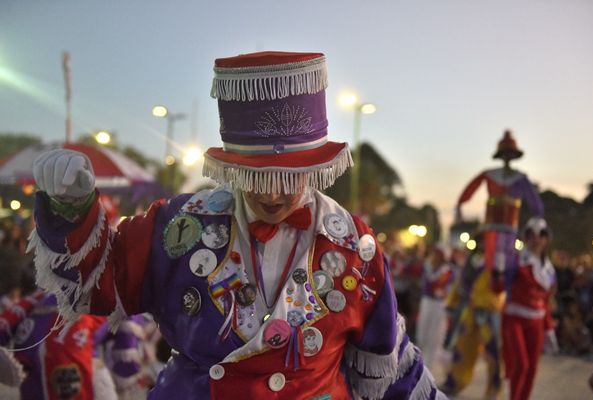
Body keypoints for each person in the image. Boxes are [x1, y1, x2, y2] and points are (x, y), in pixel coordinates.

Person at [28, 51, 444, 399]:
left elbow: (388, 358)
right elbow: (96, 286)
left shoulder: (354, 244)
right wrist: (72, 209)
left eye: (289, 177)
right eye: (258, 177)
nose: (273, 195)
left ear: (317, 168)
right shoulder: (178, 224)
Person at [455, 130, 544, 274]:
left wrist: (537, 220)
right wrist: (459, 205)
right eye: (505, 154)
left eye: (510, 154)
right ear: (500, 156)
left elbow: (534, 201)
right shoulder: (489, 174)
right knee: (487, 259)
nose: (507, 157)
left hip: (510, 227)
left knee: (508, 261)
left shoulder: (520, 177)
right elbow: (470, 189)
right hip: (491, 225)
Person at [494, 217, 557, 400]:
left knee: (532, 368)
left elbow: (547, 301)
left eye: (541, 235)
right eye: (531, 235)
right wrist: (497, 273)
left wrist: (549, 326)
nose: (536, 240)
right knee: (521, 364)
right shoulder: (515, 261)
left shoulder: (549, 269)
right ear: (526, 238)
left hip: (536, 321)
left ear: (546, 239)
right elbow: (497, 288)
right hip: (514, 318)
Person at [441, 234, 505, 400]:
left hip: (488, 311)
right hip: (469, 309)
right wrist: (452, 301)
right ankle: (454, 382)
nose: (483, 243)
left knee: (493, 352)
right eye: (481, 240)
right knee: (462, 348)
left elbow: (500, 287)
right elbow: (460, 282)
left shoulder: (497, 261)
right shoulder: (471, 260)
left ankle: (494, 390)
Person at [415, 244, 454, 368]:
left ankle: (428, 364)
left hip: (439, 304)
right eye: (434, 254)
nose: (435, 257)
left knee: (435, 335)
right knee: (422, 333)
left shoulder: (446, 271)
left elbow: (439, 288)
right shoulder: (426, 267)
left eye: (438, 255)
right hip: (427, 301)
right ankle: (419, 362)